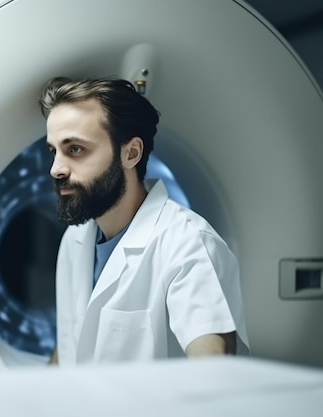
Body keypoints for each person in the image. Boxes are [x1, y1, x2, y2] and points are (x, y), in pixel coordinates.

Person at [38, 77, 249, 366]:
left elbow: (212, 362)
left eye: (75, 149)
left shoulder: (187, 242)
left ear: (131, 153)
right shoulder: (76, 239)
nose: (56, 169)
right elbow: (71, 343)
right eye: (54, 151)